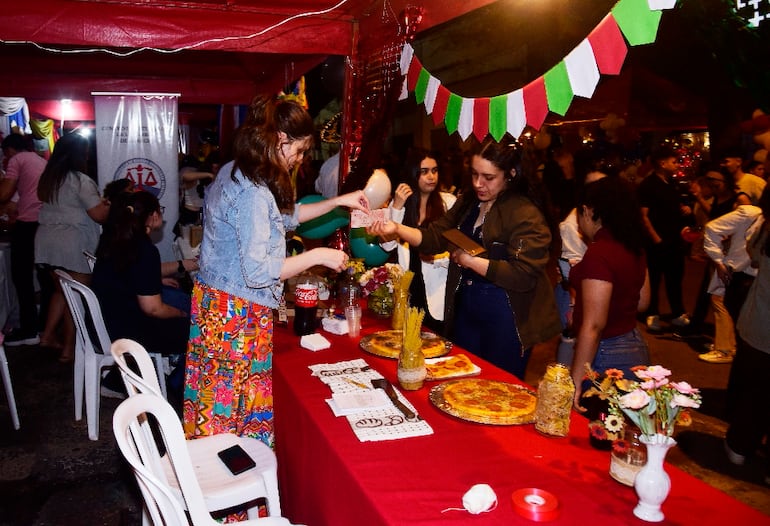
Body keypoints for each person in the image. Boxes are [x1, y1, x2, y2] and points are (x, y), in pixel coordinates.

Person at [183, 95, 368, 447]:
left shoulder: (235, 170)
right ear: (281, 140)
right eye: (298, 151)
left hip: (219, 308)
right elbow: (260, 272)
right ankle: (228, 494)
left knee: (216, 408)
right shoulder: (252, 192)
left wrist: (336, 202)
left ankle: (215, 491)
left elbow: (283, 219)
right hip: (235, 316)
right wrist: (322, 257)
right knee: (229, 417)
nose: (299, 161)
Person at [368, 136, 561, 380]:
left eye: (488, 178)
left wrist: (471, 261)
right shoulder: (469, 202)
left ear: (511, 174)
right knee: (461, 379)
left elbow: (523, 275)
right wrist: (396, 228)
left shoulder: (524, 212)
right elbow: (435, 237)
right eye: (474, 174)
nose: (478, 183)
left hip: (507, 314)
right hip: (468, 306)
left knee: (497, 387)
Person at [92, 191, 197, 397]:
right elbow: (153, 308)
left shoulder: (116, 239)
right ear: (154, 216)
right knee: (199, 328)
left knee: (178, 298)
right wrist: (181, 314)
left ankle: (118, 379)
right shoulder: (144, 249)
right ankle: (176, 386)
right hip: (128, 329)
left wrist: (154, 280)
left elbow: (130, 274)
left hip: (107, 318)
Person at [569, 177, 651, 411]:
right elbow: (643, 302)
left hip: (606, 354)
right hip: (634, 346)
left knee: (596, 430)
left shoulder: (600, 253)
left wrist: (575, 381)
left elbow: (594, 326)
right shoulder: (633, 246)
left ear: (587, 210)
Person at [34, 133, 110, 362]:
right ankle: (69, 349)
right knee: (76, 295)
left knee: (61, 291)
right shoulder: (80, 180)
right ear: (81, 154)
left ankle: (47, 336)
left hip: (47, 241)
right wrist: (110, 205)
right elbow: (98, 215)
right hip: (72, 243)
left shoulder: (49, 178)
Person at [381, 149, 457, 334]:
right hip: (410, 283)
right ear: (412, 174)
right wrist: (397, 207)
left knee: (438, 340)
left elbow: (454, 242)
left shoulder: (448, 202)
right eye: (424, 172)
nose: (431, 176)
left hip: (438, 282)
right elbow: (387, 244)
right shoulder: (400, 203)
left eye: (434, 170)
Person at [723, 187, 770, 484]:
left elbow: (752, 255)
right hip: (759, 324)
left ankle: (740, 445)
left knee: (754, 390)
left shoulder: (767, 229)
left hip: (761, 325)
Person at [700, 198, 763, 364]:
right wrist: (718, 260)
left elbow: (712, 228)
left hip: (745, 275)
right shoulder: (754, 215)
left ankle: (725, 348)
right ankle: (728, 347)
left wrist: (718, 260)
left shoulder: (752, 214)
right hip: (744, 274)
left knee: (725, 306)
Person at [638, 146, 691, 332]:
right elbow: (643, 215)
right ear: (662, 163)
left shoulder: (672, 183)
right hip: (657, 242)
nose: (677, 165)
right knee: (654, 278)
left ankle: (678, 313)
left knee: (675, 278)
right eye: (674, 161)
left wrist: (685, 209)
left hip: (675, 240)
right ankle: (652, 313)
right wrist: (656, 238)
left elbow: (675, 206)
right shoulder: (648, 185)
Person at [0, 133, 46, 346]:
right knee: (44, 277)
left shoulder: (17, 160)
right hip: (43, 223)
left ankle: (29, 330)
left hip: (27, 224)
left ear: (9, 150)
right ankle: (41, 326)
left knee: (21, 277)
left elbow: (4, 193)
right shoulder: (38, 159)